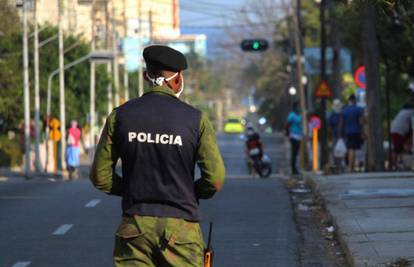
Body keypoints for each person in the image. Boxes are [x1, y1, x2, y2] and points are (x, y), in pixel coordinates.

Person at [90, 45, 225, 267]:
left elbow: (100, 176)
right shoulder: (195, 120)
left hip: (134, 230)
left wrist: (135, 188)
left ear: (145, 76)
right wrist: (190, 192)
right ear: (177, 79)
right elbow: (215, 179)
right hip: (181, 231)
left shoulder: (119, 117)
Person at [340, 94, 364, 172]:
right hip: (356, 131)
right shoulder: (359, 109)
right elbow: (361, 122)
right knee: (353, 149)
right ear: (355, 100)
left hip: (347, 132)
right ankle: (351, 167)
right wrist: (363, 132)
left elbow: (341, 123)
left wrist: (340, 133)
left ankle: (351, 167)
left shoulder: (344, 110)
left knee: (350, 148)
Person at [391, 103, 414, 169]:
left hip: (396, 130)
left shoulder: (401, 112)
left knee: (399, 148)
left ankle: (400, 163)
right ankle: (394, 164)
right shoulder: (411, 112)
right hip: (399, 131)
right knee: (397, 149)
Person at [286, 101, 303, 175]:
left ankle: (295, 168)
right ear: (295, 107)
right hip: (293, 135)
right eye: (297, 107)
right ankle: (293, 169)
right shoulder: (292, 115)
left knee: (296, 153)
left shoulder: (299, 115)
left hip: (299, 136)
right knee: (294, 152)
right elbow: (287, 125)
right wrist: (288, 133)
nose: (298, 108)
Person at [328, 99, 344, 166]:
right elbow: (329, 126)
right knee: (335, 150)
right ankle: (336, 164)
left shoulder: (342, 114)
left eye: (338, 105)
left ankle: (341, 163)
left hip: (343, 135)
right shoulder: (332, 115)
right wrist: (330, 136)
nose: (337, 106)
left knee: (342, 150)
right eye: (335, 105)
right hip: (334, 135)